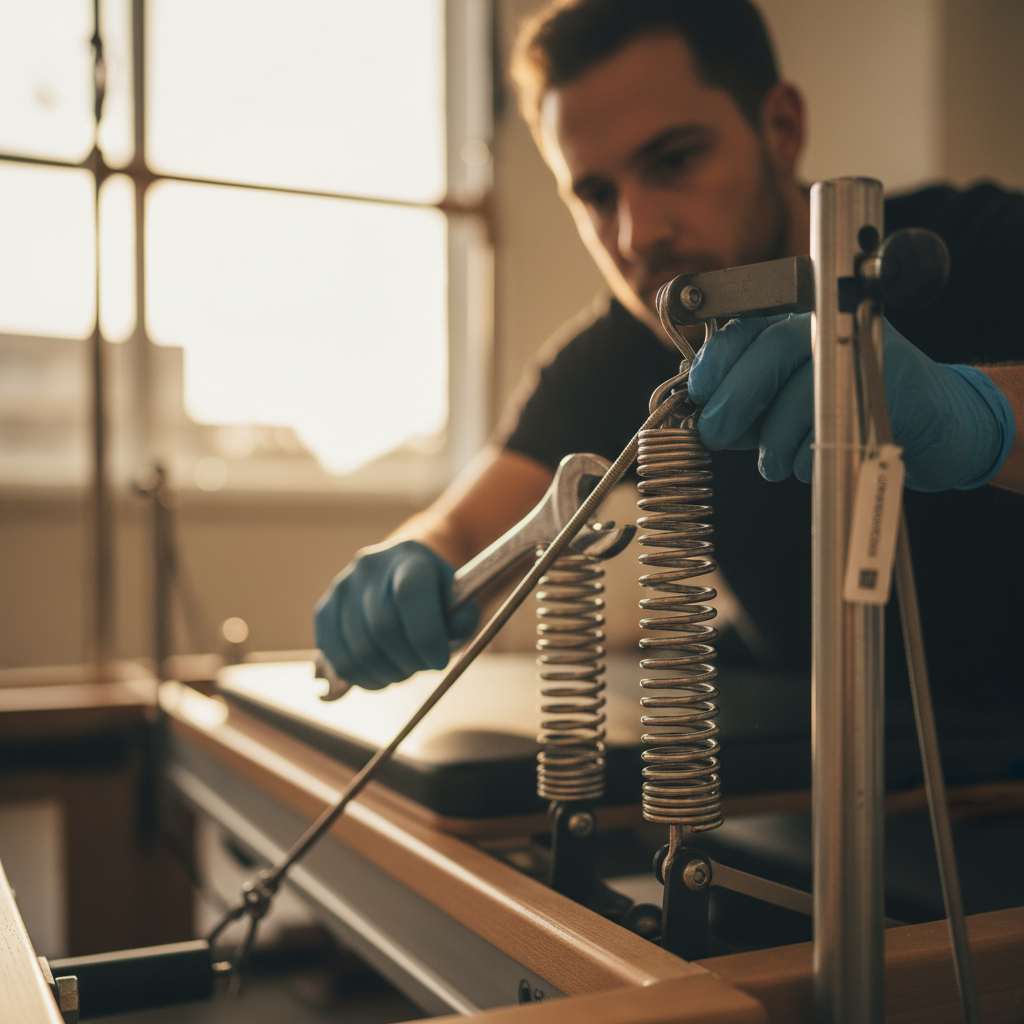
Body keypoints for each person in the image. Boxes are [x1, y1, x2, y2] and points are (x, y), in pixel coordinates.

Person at [316, 0, 1023, 786]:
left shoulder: (980, 246)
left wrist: (977, 416)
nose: (634, 234)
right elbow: (465, 528)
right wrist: (409, 562)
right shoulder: (621, 355)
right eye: (595, 195)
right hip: (816, 774)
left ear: (781, 128)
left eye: (674, 160)